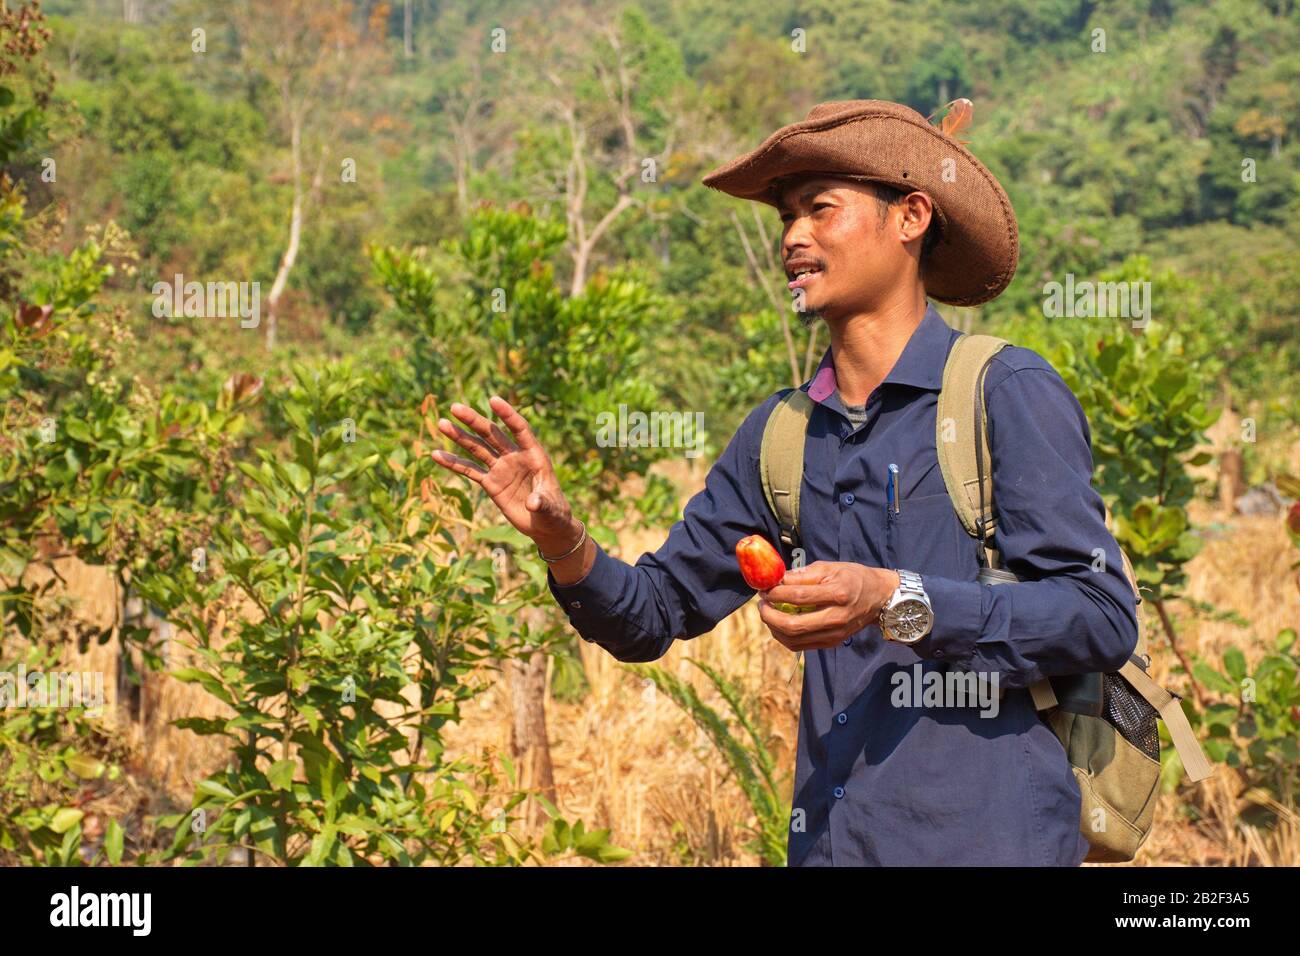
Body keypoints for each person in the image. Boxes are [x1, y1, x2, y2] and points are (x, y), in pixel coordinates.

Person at [428, 99, 1139, 866]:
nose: (794, 237)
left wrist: (893, 600)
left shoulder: (1004, 392)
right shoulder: (783, 436)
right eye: (786, 219)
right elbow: (652, 615)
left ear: (911, 216)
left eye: (820, 209)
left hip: (991, 842)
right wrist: (565, 542)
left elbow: (1098, 616)